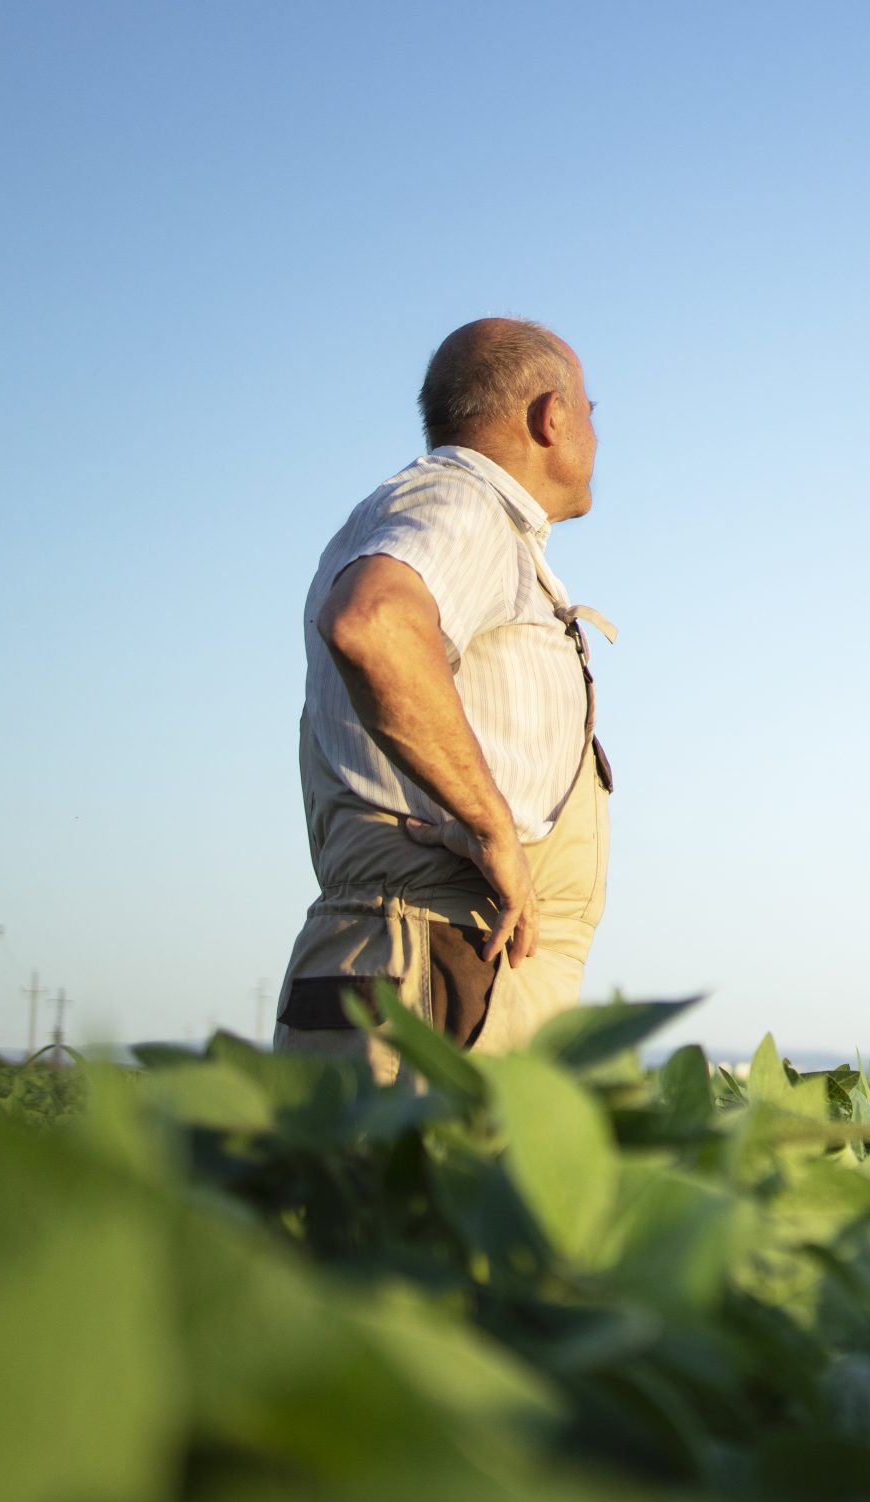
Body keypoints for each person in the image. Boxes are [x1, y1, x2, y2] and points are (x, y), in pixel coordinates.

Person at [272, 318, 614, 1076]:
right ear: (550, 415)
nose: (596, 429)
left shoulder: (435, 511)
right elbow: (374, 621)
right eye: (592, 409)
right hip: (435, 970)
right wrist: (492, 824)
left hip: (436, 964)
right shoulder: (462, 506)